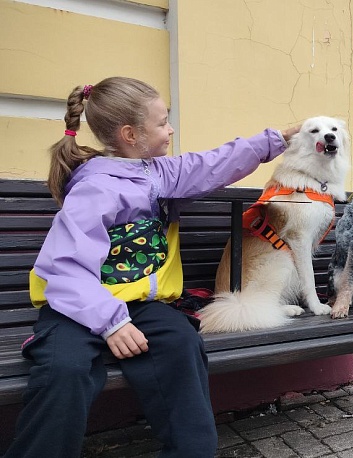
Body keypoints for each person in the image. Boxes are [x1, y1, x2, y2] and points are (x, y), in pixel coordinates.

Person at [4, 77, 298, 458]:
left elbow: (212, 163)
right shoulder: (96, 189)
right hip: (74, 308)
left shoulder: (158, 173)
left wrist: (274, 140)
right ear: (131, 134)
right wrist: (112, 322)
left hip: (138, 305)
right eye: (162, 122)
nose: (171, 129)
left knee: (181, 342)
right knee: (65, 369)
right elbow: (64, 268)